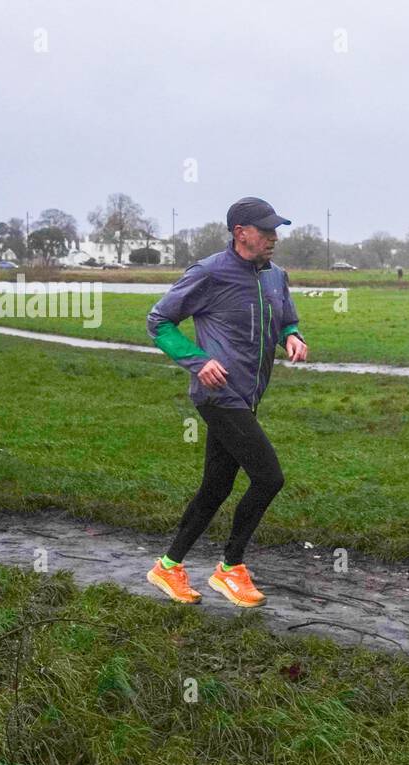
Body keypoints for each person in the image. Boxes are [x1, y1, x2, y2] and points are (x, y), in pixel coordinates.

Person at [144, 197, 309, 608]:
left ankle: (168, 567)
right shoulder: (210, 272)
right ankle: (231, 568)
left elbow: (286, 317)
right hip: (218, 396)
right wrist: (197, 361)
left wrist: (292, 336)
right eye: (266, 230)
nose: (274, 238)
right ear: (240, 233)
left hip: (248, 397)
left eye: (276, 231)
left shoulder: (275, 276)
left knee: (215, 488)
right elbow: (159, 321)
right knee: (269, 478)